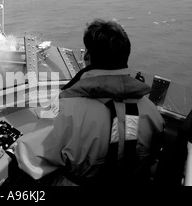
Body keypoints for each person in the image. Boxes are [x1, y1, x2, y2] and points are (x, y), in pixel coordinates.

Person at [12, 19, 165, 186]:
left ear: (87, 57)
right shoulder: (153, 113)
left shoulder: (66, 110)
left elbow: (30, 159)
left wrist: (16, 146)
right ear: (125, 56)